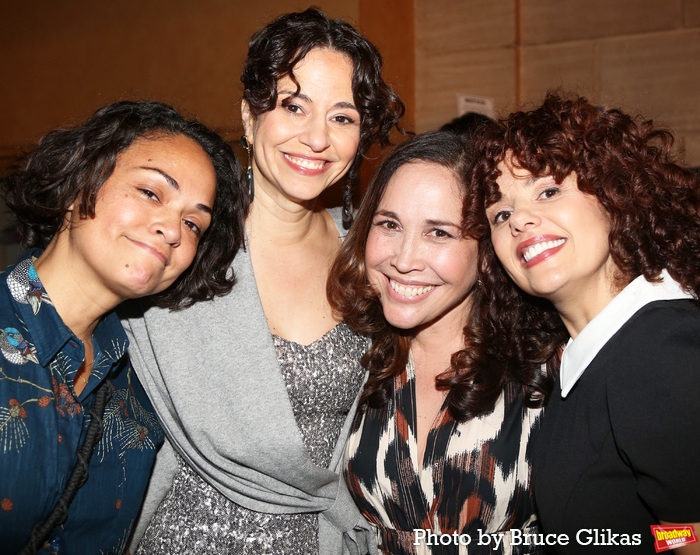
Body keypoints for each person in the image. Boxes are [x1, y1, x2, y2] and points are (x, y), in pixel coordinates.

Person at [123, 7, 405, 554]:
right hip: (185, 536)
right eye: (293, 107)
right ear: (250, 118)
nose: (316, 138)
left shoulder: (373, 251)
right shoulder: (182, 245)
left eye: (342, 118)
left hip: (318, 538)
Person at [0, 100, 244, 554]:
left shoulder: (144, 384)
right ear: (79, 183)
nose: (173, 229)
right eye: (152, 193)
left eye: (193, 223)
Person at [469, 92, 700, 554]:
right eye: (501, 214)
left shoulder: (659, 348)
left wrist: (648, 541)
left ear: (614, 193)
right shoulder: (592, 353)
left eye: (548, 191)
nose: (520, 221)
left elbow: (690, 534)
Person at [327, 130, 546, 555]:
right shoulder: (349, 356)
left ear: (485, 252)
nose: (404, 260)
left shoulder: (548, 368)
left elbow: (667, 523)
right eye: (389, 224)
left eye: (439, 233)